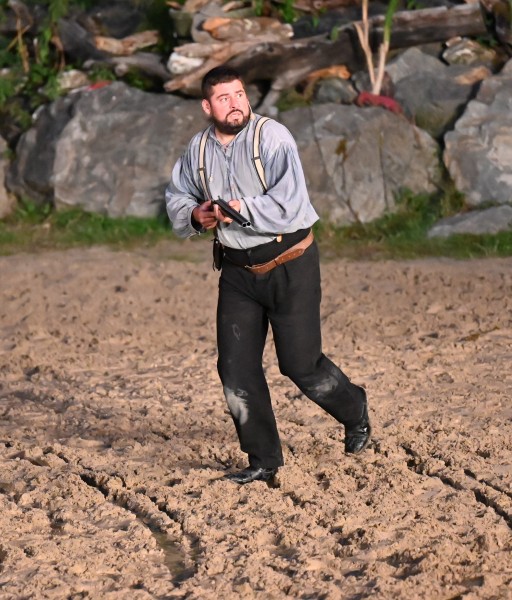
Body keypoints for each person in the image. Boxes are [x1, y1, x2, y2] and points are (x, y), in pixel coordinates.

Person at [165, 66, 371, 485]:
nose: (235, 103)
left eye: (239, 94)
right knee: (235, 369)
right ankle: (263, 460)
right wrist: (195, 214)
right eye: (224, 98)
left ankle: (355, 412)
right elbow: (177, 195)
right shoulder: (198, 149)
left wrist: (238, 209)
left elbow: (290, 202)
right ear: (207, 106)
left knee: (300, 365)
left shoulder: (272, 137)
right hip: (237, 272)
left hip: (290, 263)